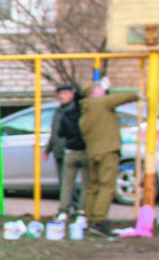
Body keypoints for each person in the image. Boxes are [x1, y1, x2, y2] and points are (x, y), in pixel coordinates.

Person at [78, 77, 126, 229]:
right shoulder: (101, 103)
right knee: (107, 186)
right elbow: (118, 98)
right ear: (94, 93)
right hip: (108, 152)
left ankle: (89, 217)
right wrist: (139, 95)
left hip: (93, 153)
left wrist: (104, 88)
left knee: (93, 186)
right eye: (99, 89)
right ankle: (99, 221)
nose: (103, 91)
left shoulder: (86, 110)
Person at [48, 82, 87, 222]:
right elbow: (54, 132)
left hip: (73, 150)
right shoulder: (58, 111)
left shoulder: (75, 111)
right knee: (65, 183)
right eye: (60, 94)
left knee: (74, 183)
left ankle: (77, 209)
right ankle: (68, 209)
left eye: (64, 94)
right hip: (59, 151)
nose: (61, 96)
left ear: (72, 95)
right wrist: (49, 148)